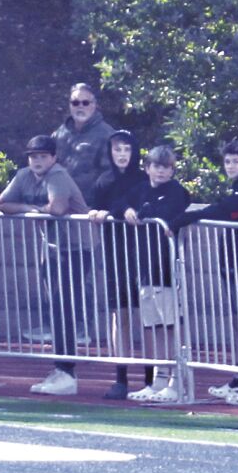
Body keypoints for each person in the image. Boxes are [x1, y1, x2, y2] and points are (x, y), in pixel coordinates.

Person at [0, 134, 89, 395]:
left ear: (53, 158)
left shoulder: (58, 175)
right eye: (33, 156)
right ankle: (60, 369)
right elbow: (3, 203)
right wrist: (33, 207)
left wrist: (34, 210)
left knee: (64, 308)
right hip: (50, 247)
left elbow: (59, 208)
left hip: (75, 247)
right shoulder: (24, 175)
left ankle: (67, 372)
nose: (37, 161)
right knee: (55, 308)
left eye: (42, 156)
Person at [182, 139, 238, 405]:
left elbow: (227, 208)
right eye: (228, 161)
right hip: (232, 257)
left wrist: (188, 217)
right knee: (237, 320)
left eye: (237, 161)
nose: (231, 166)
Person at [120, 145, 191, 402]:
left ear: (172, 170)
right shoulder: (140, 189)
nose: (161, 171)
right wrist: (126, 210)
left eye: (166, 167)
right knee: (155, 326)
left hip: (166, 268)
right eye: (156, 166)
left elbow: (166, 211)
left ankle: (176, 380)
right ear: (148, 168)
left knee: (172, 326)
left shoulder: (176, 191)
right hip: (146, 268)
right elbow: (122, 201)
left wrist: (142, 212)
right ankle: (159, 379)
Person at [86, 129, 142, 398]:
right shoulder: (103, 180)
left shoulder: (144, 179)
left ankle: (151, 375)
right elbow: (96, 208)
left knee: (145, 316)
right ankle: (120, 376)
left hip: (142, 255)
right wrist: (98, 213)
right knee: (119, 315)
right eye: (117, 150)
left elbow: (136, 205)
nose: (121, 155)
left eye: (127, 149)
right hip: (114, 254)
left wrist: (116, 211)